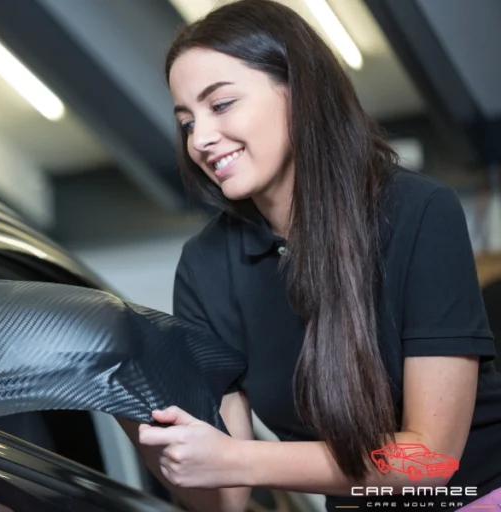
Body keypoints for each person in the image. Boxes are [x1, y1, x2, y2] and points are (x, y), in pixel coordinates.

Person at [116, 1, 501, 511]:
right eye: (186, 122)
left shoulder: (418, 210)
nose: (201, 139)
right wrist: (131, 409)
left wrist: (236, 458)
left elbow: (429, 460)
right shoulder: (206, 266)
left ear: (298, 92)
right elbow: (227, 499)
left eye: (222, 104)